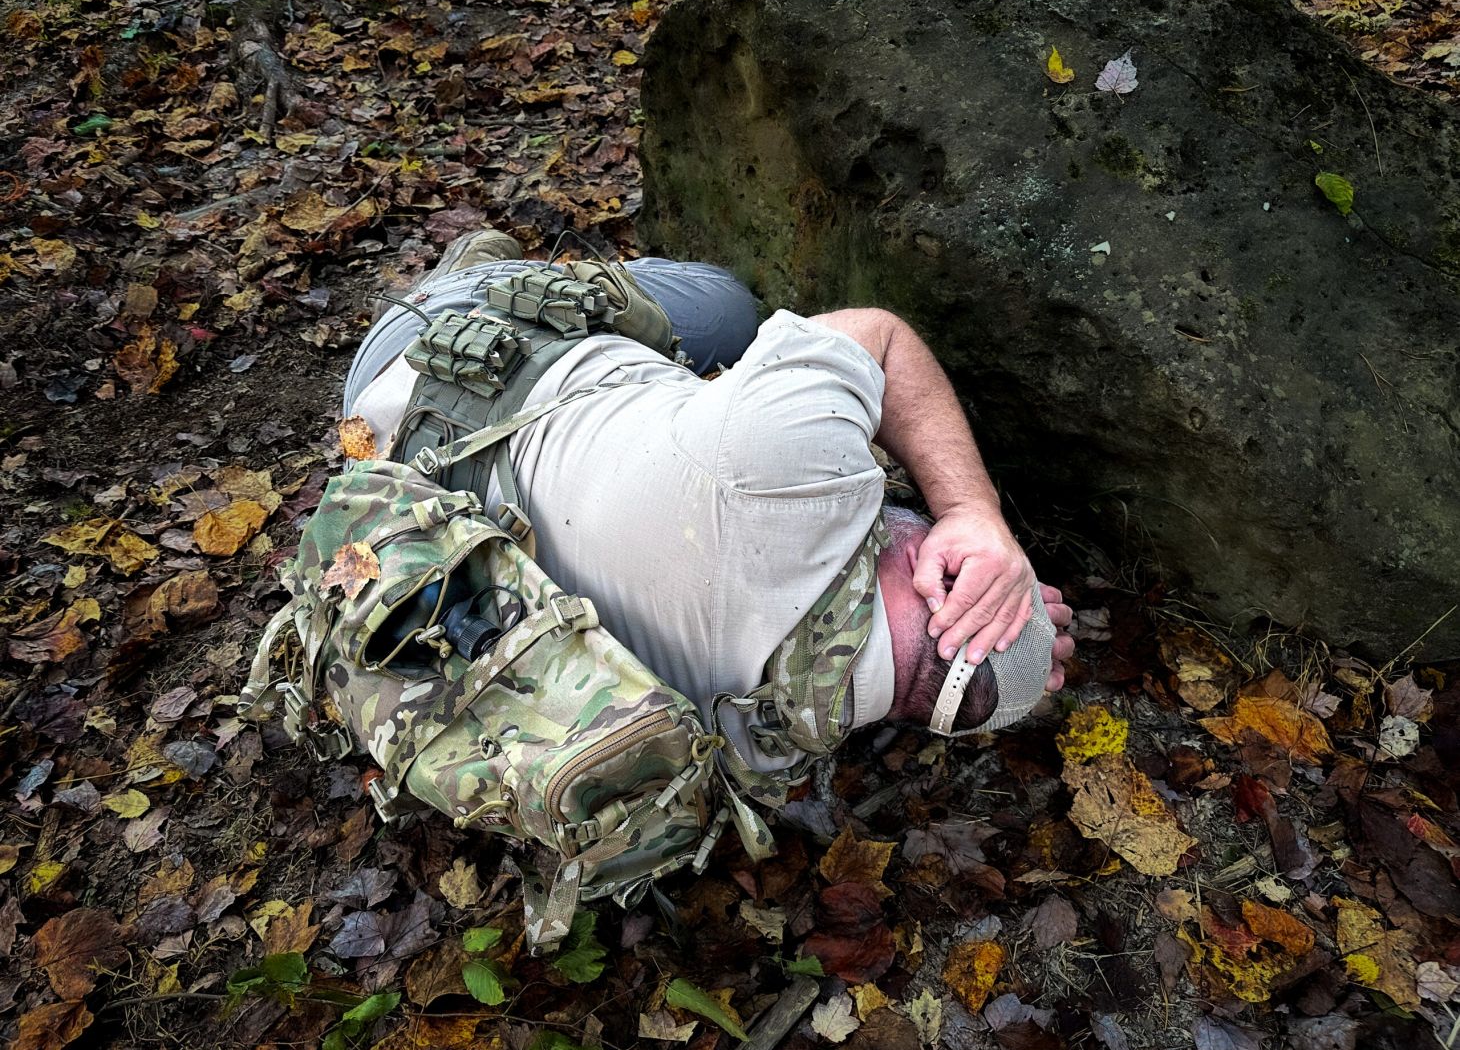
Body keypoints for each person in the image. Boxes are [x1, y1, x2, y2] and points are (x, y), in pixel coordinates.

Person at [344, 228, 1075, 777]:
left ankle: (480, 264)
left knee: (728, 300)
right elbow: (950, 678)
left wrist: (975, 512)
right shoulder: (759, 746)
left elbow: (881, 338)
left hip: (428, 352)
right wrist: (1009, 672)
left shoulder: (786, 475)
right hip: (403, 476)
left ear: (937, 567)